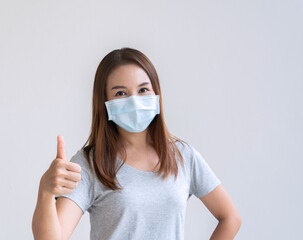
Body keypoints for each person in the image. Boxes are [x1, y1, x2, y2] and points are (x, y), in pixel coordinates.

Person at [32, 47, 241, 240]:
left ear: (156, 93)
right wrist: (45, 192)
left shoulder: (183, 156)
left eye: (143, 90)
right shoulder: (90, 164)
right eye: (120, 93)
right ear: (104, 103)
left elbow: (230, 218)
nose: (134, 100)